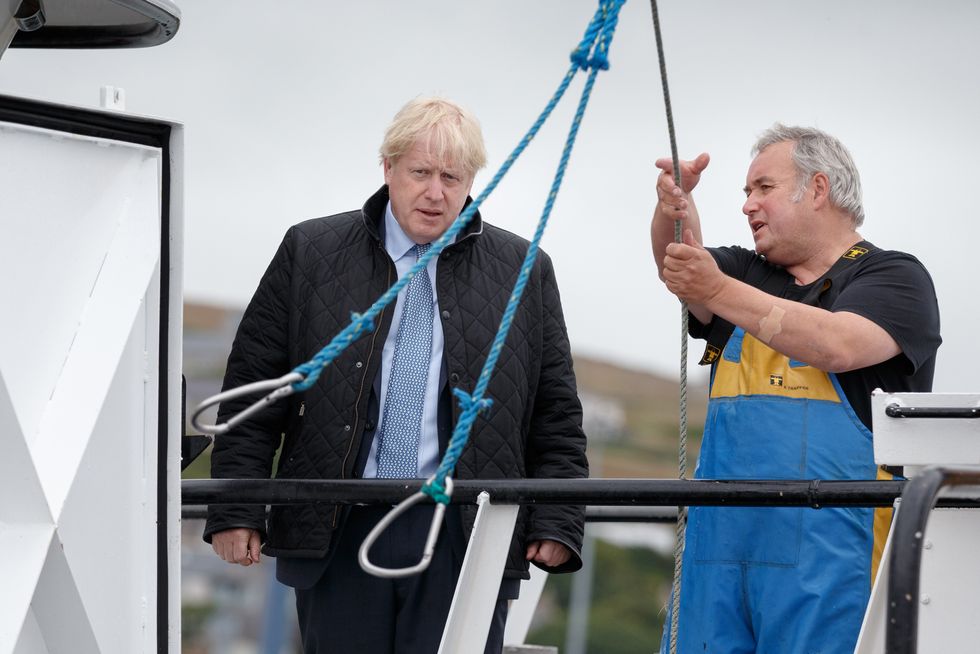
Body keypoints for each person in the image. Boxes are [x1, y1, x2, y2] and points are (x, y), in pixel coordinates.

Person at [203, 96, 589, 653]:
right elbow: (255, 389)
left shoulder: (525, 269)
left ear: (473, 181)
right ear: (387, 169)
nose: (436, 193)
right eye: (421, 173)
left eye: (452, 177)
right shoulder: (309, 251)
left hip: (465, 534)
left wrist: (557, 518)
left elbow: (555, 410)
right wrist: (236, 506)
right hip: (337, 527)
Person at [650, 124, 941, 653]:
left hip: (834, 562)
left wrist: (715, 288)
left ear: (818, 189)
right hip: (717, 554)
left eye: (763, 188)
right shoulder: (746, 273)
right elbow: (681, 262)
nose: (747, 206)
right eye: (744, 192)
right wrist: (676, 204)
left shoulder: (894, 279)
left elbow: (837, 346)